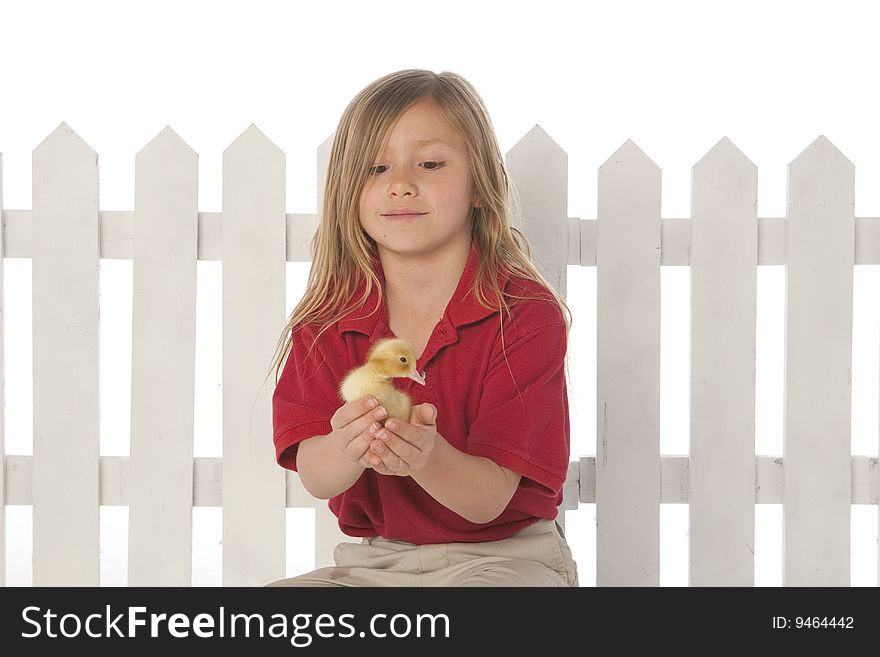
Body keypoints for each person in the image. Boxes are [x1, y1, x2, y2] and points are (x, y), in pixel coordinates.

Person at [267, 69, 577, 587]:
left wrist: (426, 456)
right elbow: (318, 477)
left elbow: (488, 500)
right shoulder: (327, 321)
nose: (401, 183)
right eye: (376, 167)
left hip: (505, 560)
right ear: (349, 191)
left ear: (481, 184)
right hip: (374, 565)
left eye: (430, 163)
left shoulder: (522, 315)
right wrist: (350, 444)